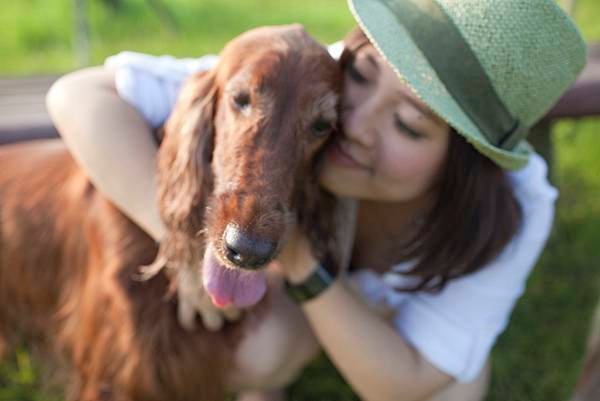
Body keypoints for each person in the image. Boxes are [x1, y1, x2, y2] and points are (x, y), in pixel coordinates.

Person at [46, 0, 586, 400]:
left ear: (465, 164)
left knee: (455, 389)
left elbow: (405, 383)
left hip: (369, 310)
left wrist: (301, 257)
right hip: (285, 297)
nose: (352, 124)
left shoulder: (517, 209)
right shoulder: (302, 83)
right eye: (363, 75)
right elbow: (77, 96)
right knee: (265, 347)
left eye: (406, 125)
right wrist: (183, 242)